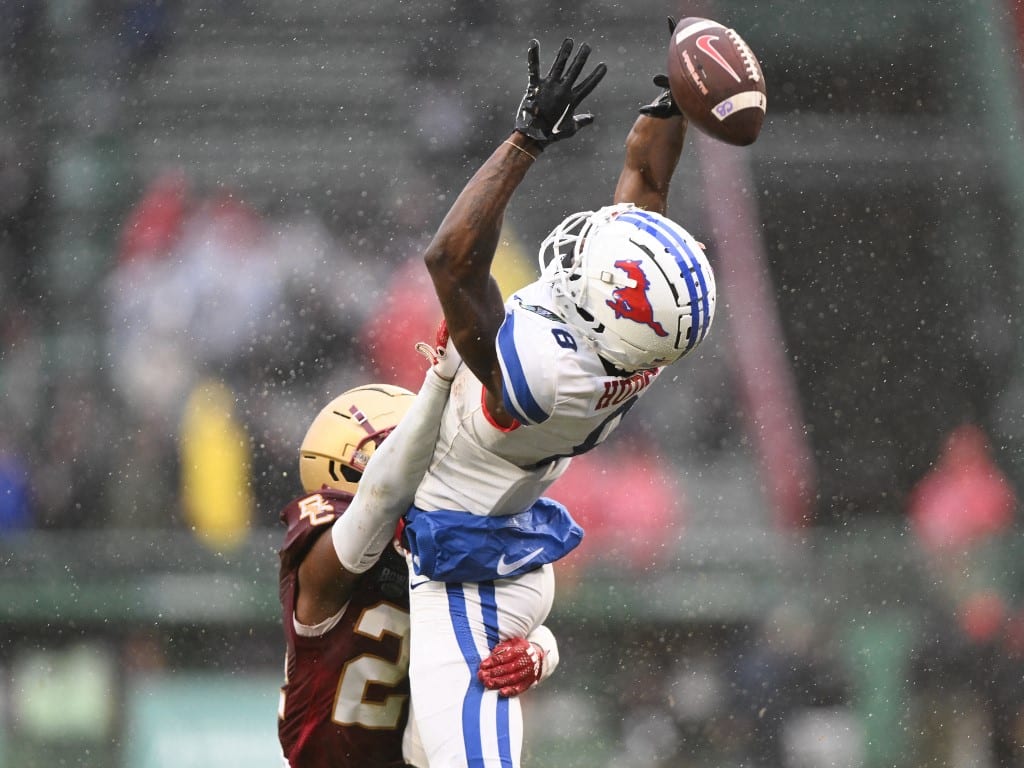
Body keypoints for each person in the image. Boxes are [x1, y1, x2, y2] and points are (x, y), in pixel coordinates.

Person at [332, 30, 717, 768]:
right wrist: (678, 98)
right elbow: (646, 178)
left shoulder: (549, 377)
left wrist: (526, 140)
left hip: (468, 575)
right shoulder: (635, 344)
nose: (587, 245)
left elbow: (448, 258)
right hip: (501, 548)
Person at [277, 330, 561, 768]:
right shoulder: (324, 551)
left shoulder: (437, 540)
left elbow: (510, 618)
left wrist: (539, 652)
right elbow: (380, 501)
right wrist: (440, 382)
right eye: (420, 447)